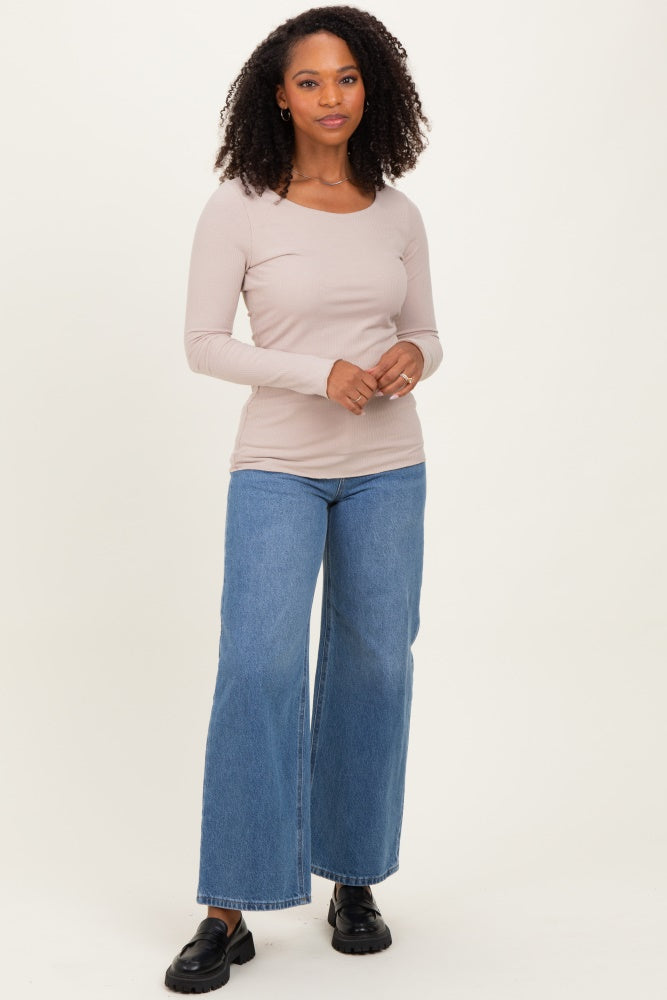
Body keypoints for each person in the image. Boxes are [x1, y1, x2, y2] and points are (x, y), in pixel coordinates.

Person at [164, 4, 442, 993]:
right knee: (257, 667)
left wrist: (413, 356)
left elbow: (426, 332)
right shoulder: (239, 207)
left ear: (373, 89)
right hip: (277, 465)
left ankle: (353, 880)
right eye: (311, 80)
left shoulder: (396, 212)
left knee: (375, 670)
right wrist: (316, 372)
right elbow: (204, 344)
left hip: (388, 468)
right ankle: (228, 908)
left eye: (348, 78)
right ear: (278, 96)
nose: (332, 96)